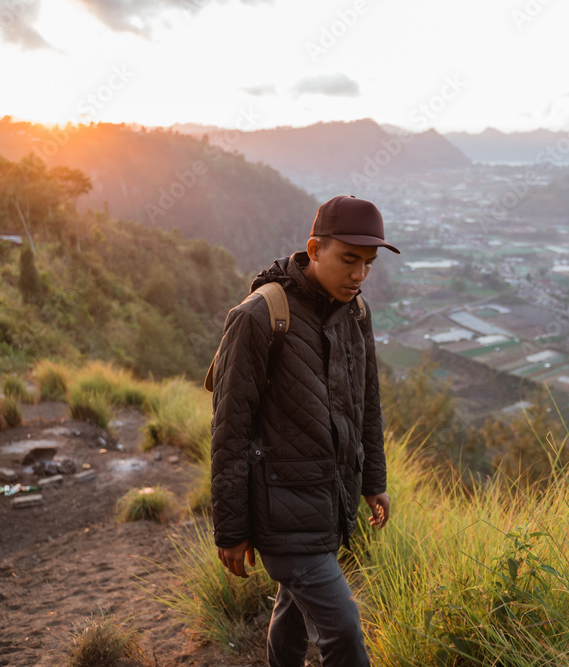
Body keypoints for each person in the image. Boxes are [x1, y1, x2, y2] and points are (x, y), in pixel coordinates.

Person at [209, 195, 398, 667]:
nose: (359, 275)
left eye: (368, 264)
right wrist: (230, 530)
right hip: (279, 513)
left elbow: (367, 404)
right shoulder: (259, 316)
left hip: (327, 506)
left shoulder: (356, 313)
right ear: (314, 249)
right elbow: (229, 432)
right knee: (344, 635)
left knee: (291, 619)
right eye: (349, 260)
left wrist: (373, 482)